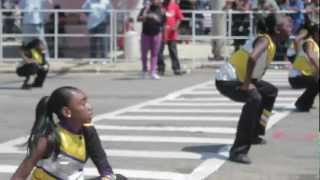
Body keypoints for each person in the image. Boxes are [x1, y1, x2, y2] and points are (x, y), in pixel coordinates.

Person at [215, 14, 293, 164]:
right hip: (227, 80)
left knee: (270, 92)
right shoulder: (264, 40)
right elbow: (252, 58)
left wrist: (250, 81)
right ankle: (238, 151)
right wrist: (246, 84)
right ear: (277, 29)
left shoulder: (271, 42)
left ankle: (255, 133)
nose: (291, 27)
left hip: (241, 78)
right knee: (254, 97)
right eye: (287, 25)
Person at [11, 86, 127, 180]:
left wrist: (107, 177)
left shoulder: (88, 132)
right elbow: (19, 176)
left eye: (87, 102)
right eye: (83, 104)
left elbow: (104, 166)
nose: (89, 107)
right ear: (67, 112)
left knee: (118, 179)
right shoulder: (48, 139)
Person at [288, 24, 319, 112]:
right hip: (296, 77)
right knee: (317, 81)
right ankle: (301, 103)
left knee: (316, 81)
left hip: (304, 75)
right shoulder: (309, 42)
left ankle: (306, 102)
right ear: (316, 33)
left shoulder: (316, 44)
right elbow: (311, 55)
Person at [137, 0, 166, 80]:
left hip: (157, 34)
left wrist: (156, 19)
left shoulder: (161, 10)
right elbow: (138, 19)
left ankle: (153, 72)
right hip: (145, 34)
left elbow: (163, 22)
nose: (154, 1)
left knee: (154, 54)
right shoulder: (145, 9)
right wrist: (146, 17)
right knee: (144, 54)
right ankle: (144, 71)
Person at [157, 0, 186, 76]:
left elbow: (179, 18)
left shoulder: (175, 6)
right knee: (159, 52)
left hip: (171, 34)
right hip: (161, 33)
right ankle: (161, 68)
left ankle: (176, 68)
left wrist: (175, 27)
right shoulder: (160, 6)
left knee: (173, 52)